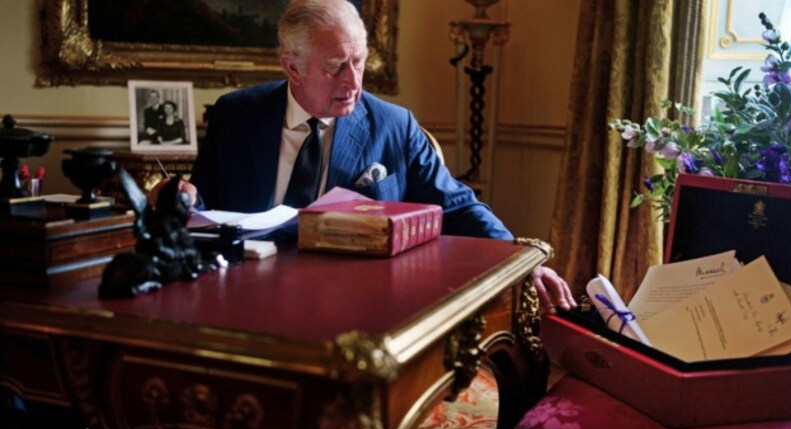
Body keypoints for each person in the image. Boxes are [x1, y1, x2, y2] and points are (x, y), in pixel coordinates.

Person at [154, 0, 576, 313]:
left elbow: (457, 205)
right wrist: (181, 199)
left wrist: (521, 262)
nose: (353, 81)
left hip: (352, 307)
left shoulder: (393, 125)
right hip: (244, 295)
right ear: (292, 67)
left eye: (359, 60)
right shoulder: (236, 114)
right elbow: (205, 206)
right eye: (336, 66)